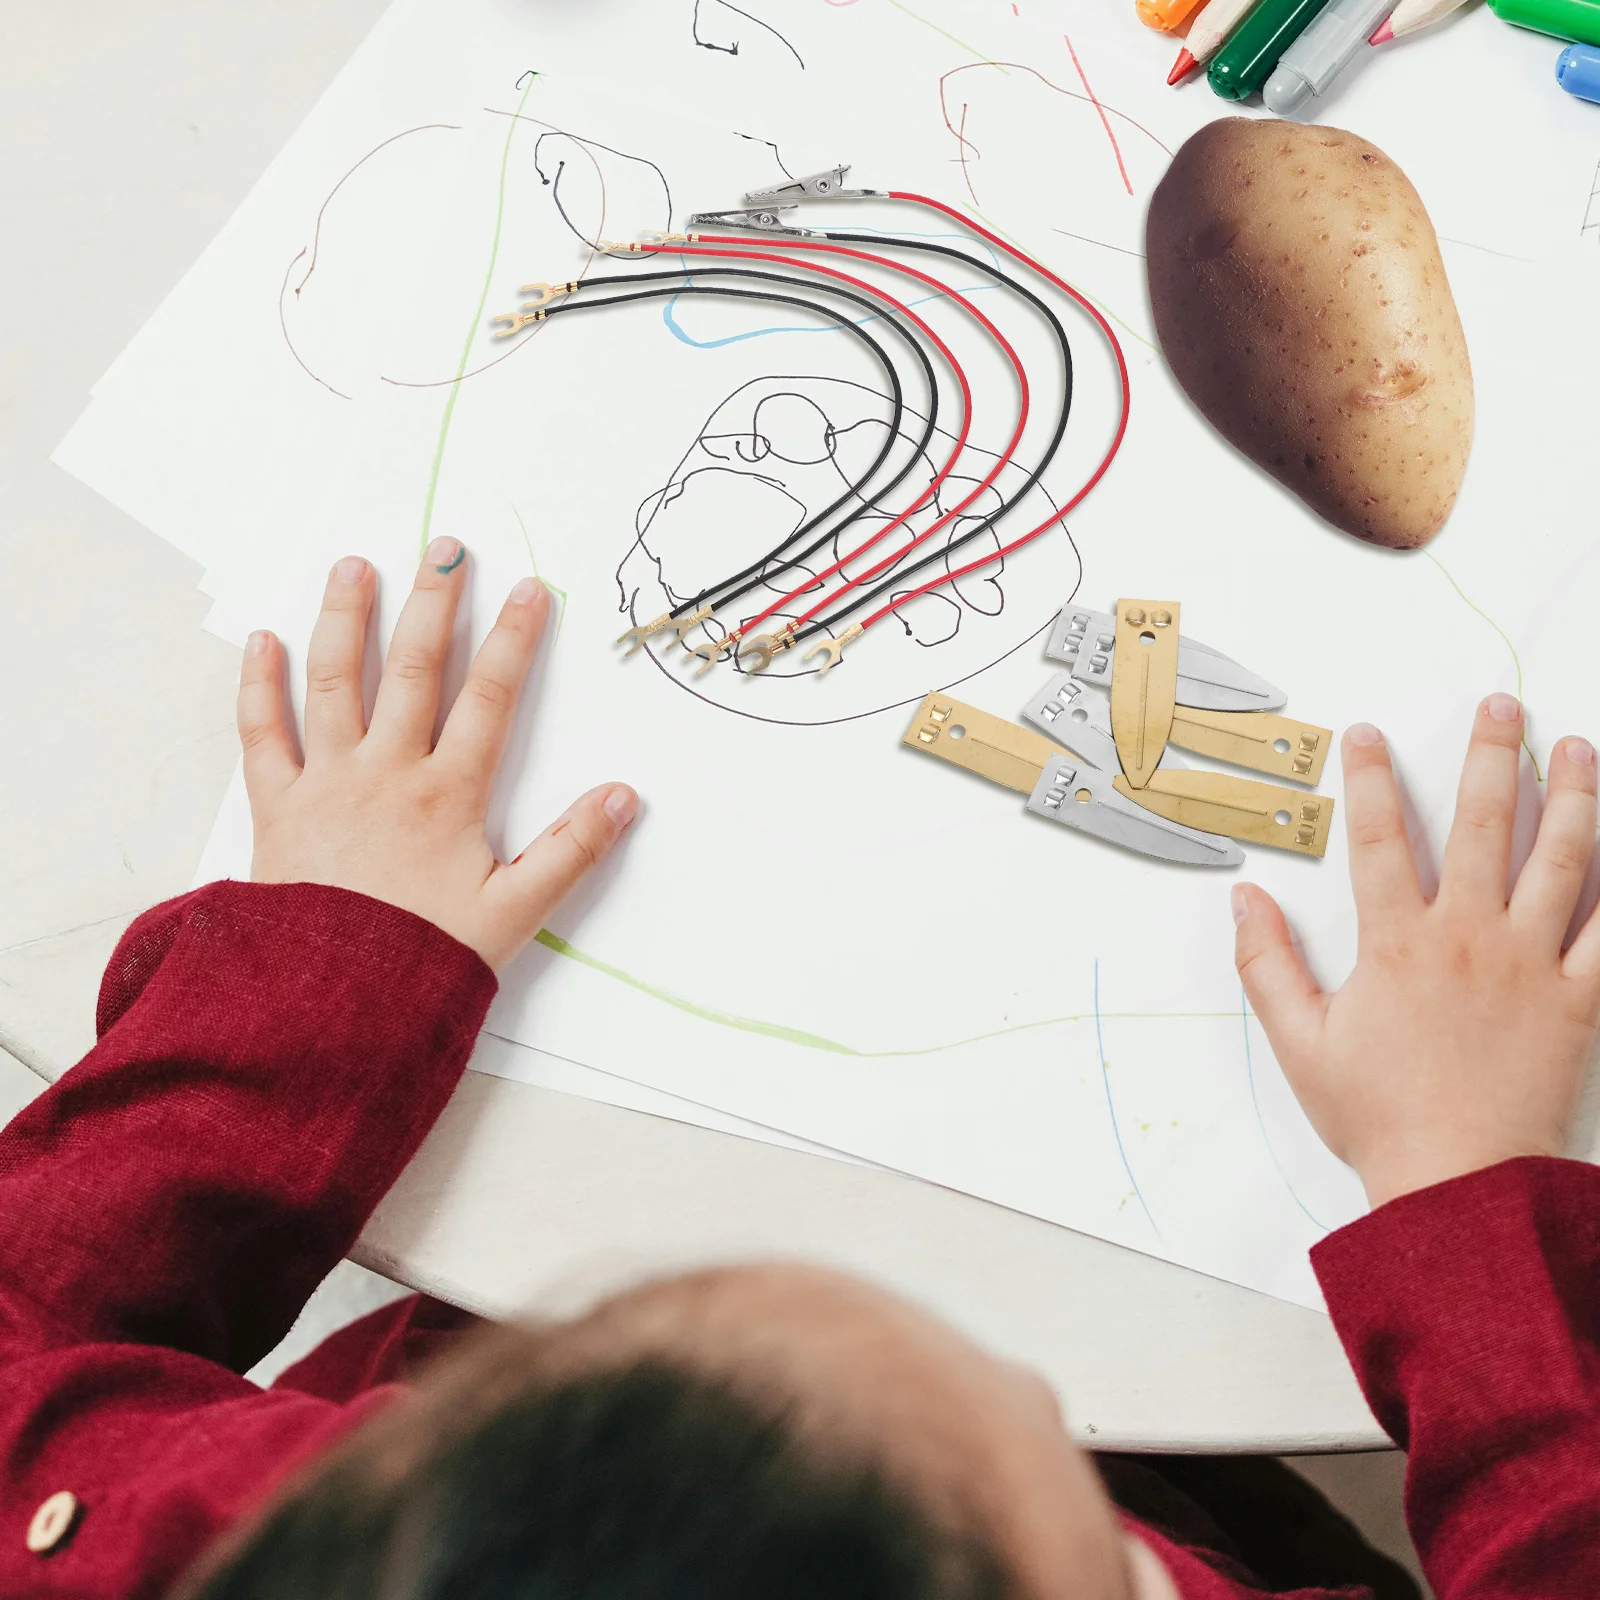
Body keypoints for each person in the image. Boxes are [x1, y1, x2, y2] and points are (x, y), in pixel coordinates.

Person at [0, 542, 1595, 1600]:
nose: (1035, 1384)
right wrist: (1469, 1187)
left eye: (620, 1354)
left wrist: (322, 969)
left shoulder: (124, 1537)